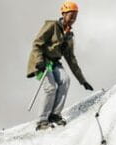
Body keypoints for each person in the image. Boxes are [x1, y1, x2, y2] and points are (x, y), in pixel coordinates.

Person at [27, 2, 94, 131]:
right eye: (71, 15)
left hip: (54, 63)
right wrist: (39, 60)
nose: (73, 18)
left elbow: (71, 59)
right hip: (41, 62)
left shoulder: (69, 36)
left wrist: (82, 80)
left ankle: (55, 115)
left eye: (75, 16)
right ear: (63, 14)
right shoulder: (52, 25)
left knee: (65, 80)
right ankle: (42, 121)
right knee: (51, 87)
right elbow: (37, 43)